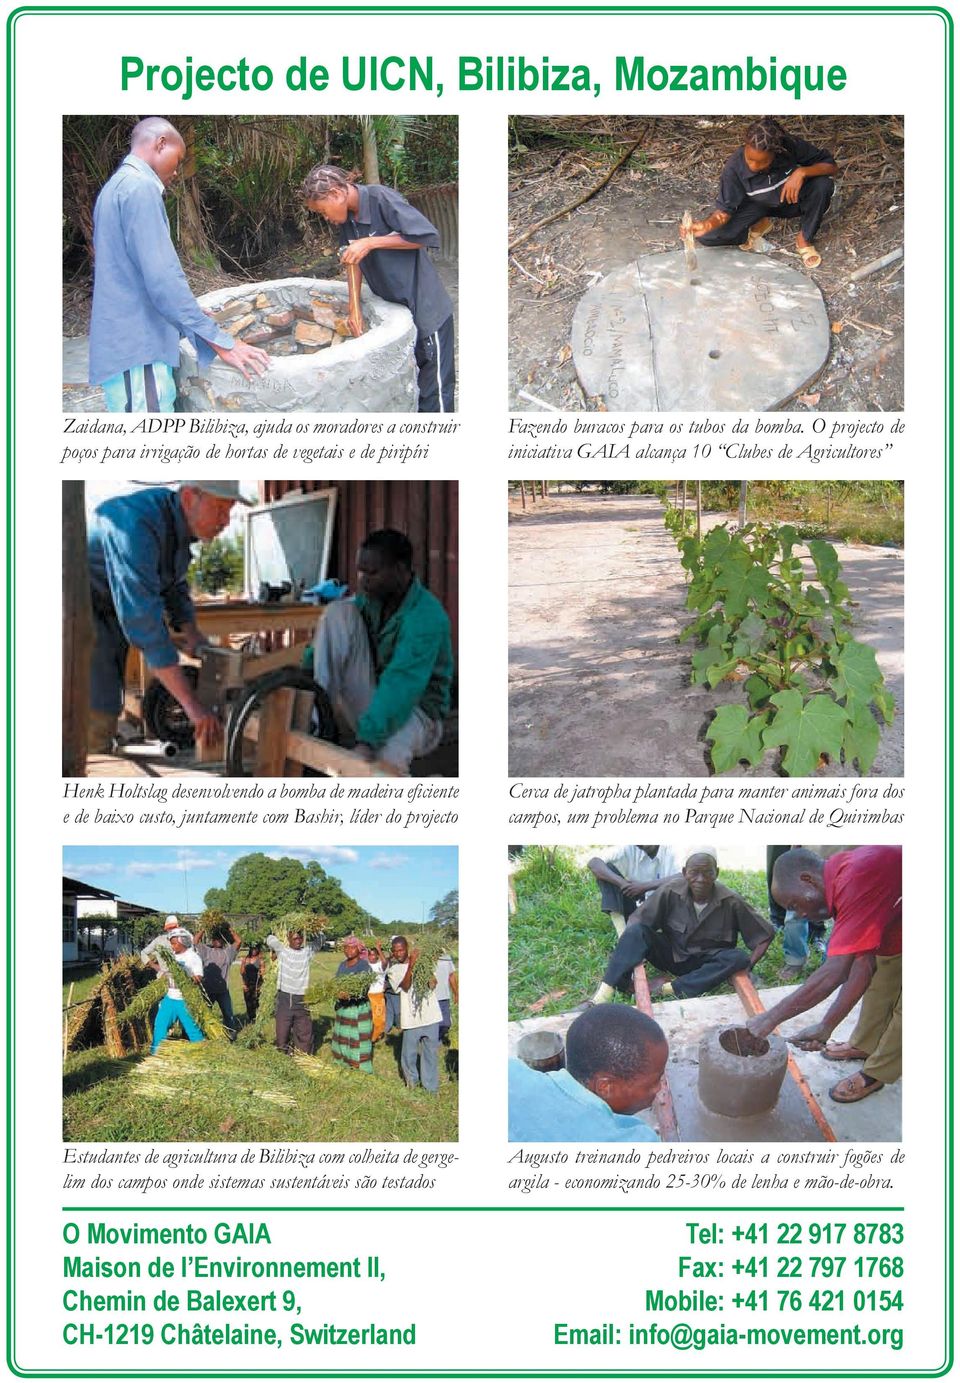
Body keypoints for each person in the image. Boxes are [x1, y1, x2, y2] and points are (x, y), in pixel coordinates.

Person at [89, 117, 270, 411]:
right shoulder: (139, 188)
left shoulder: (118, 187)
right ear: (161, 144)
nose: (177, 170)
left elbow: (133, 274)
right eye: (178, 159)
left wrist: (188, 312)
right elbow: (162, 279)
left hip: (129, 344)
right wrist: (221, 341)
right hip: (139, 350)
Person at [86, 480, 251, 753]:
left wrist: (192, 634)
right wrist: (192, 706)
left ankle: (97, 744)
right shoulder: (136, 526)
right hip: (75, 603)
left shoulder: (176, 528)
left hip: (109, 605)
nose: (226, 521)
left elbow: (173, 586)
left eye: (229, 510)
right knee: (95, 705)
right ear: (189, 498)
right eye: (220, 508)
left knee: (107, 699)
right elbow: (145, 624)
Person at [747, 846, 902, 1104]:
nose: (800, 914)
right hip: (896, 933)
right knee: (879, 980)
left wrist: (768, 1019)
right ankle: (865, 1044)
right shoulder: (842, 882)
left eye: (794, 904)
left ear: (807, 878)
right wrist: (826, 1025)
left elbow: (834, 971)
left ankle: (878, 1072)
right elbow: (862, 966)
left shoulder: (856, 879)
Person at [300, 164, 455, 412]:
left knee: (435, 391)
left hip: (426, 310)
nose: (325, 217)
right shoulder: (346, 218)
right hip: (398, 311)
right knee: (411, 384)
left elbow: (426, 235)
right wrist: (354, 309)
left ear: (336, 193)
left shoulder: (381, 198)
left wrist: (370, 242)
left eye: (322, 210)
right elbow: (352, 259)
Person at [313, 529, 454, 774]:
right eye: (360, 571)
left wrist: (366, 741)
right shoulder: (370, 600)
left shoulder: (426, 617)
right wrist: (305, 671)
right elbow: (331, 639)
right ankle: (315, 720)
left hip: (418, 711)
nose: (363, 579)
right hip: (379, 697)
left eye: (373, 573)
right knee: (338, 613)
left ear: (400, 571)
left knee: (383, 762)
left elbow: (401, 684)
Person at [588, 848, 773, 1005]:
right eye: (694, 872)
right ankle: (606, 992)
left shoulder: (731, 900)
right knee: (637, 932)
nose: (700, 879)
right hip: (672, 955)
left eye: (707, 872)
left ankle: (669, 989)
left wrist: (748, 967)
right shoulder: (670, 891)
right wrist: (631, 949)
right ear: (684, 873)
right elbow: (638, 921)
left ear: (717, 872)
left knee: (738, 957)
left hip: (704, 964)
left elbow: (765, 935)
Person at [681, 116, 839, 270]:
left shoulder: (790, 146)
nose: (754, 166)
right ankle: (757, 225)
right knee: (707, 236)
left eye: (762, 161)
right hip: (757, 206)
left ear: (776, 153)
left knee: (823, 184)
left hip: (791, 201)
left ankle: (804, 239)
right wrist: (705, 225)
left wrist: (802, 172)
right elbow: (724, 212)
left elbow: (831, 166)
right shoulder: (734, 168)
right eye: (750, 159)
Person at [508, 1006, 668, 1142]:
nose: (659, 1088)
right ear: (606, 1087)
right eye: (654, 1081)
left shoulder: (511, 1072)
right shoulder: (634, 1140)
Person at [588, 845, 683, 937]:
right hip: (641, 908)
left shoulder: (676, 848)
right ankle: (623, 936)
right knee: (607, 871)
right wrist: (623, 884)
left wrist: (644, 887)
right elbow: (594, 862)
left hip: (671, 909)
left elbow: (686, 875)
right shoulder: (629, 848)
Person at [386, 937, 442, 1093]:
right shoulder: (393, 970)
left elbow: (432, 983)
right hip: (411, 1020)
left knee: (430, 1054)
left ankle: (430, 1088)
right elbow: (405, 986)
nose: (398, 953)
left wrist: (425, 970)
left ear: (407, 948)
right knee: (409, 1055)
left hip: (431, 1016)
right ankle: (412, 1084)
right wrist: (411, 964)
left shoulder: (423, 964)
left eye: (401, 949)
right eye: (395, 950)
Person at [140, 926, 205, 1055]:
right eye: (171, 943)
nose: (172, 946)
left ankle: (201, 1053)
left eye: (174, 943)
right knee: (160, 1025)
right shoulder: (173, 956)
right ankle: (156, 1054)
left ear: (183, 942)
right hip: (170, 998)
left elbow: (198, 978)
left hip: (184, 1000)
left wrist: (184, 977)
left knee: (192, 1028)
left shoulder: (193, 957)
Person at [265, 928, 313, 1055]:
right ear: (289, 939)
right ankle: (283, 1054)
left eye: (300, 938)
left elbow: (321, 939)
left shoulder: (307, 952)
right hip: (285, 997)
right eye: (295, 938)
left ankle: (303, 1055)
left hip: (302, 997)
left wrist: (313, 926)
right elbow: (269, 939)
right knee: (282, 1030)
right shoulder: (283, 951)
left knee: (304, 1030)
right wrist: (279, 937)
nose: (298, 941)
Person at [330, 937, 375, 1073]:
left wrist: (349, 994)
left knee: (358, 1039)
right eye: (346, 947)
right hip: (343, 1007)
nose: (349, 950)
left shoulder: (364, 966)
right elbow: (336, 983)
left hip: (358, 1008)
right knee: (342, 1037)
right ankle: (343, 1063)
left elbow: (364, 987)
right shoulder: (342, 965)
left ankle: (360, 1069)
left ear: (359, 949)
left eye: (353, 947)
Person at [195, 923, 242, 1034]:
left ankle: (231, 1035)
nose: (218, 941)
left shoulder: (228, 953)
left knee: (228, 1015)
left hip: (222, 991)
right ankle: (201, 1034)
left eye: (220, 939)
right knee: (204, 1014)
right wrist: (204, 927)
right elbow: (195, 941)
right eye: (215, 939)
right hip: (207, 991)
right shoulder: (206, 951)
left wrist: (229, 929)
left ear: (224, 940)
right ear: (212, 941)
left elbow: (238, 941)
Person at [366, 941, 388, 1043]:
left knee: (378, 1019)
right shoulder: (365, 966)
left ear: (377, 956)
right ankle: (369, 1036)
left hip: (378, 996)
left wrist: (378, 948)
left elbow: (385, 962)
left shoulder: (380, 965)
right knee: (368, 1018)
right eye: (369, 955)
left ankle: (375, 1037)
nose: (371, 957)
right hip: (368, 995)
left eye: (374, 955)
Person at [434, 950, 458, 1044]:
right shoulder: (426, 958)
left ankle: (437, 1040)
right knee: (434, 1024)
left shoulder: (446, 957)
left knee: (446, 1023)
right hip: (432, 998)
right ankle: (434, 1043)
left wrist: (456, 993)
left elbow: (451, 976)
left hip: (444, 996)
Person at [240, 944, 265, 1024]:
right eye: (252, 948)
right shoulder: (246, 959)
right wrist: (243, 963)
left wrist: (261, 968)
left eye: (255, 949)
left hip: (257, 984)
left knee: (256, 1002)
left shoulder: (260, 960)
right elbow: (242, 972)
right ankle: (250, 1019)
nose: (254, 950)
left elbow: (263, 973)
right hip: (247, 983)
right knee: (248, 1002)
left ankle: (256, 1019)